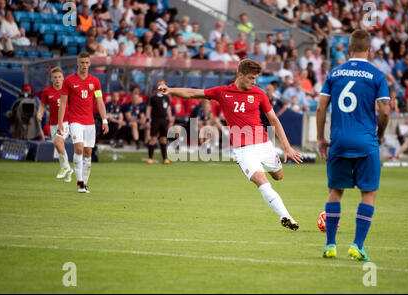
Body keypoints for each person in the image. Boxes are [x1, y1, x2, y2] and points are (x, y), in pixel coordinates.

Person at [157, 59, 304, 231]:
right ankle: (286, 216)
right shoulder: (222, 92)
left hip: (264, 144)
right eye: (251, 78)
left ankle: (282, 207)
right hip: (243, 150)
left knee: (278, 176)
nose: (254, 82)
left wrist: (287, 147)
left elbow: (273, 120)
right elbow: (192, 93)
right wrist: (171, 90)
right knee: (262, 181)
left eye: (256, 78)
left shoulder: (259, 93)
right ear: (240, 75)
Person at [316, 30, 391, 261]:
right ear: (370, 50)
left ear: (349, 49)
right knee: (368, 193)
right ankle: (357, 245)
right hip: (366, 141)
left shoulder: (335, 73)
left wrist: (320, 139)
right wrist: (379, 135)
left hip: (338, 141)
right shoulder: (377, 75)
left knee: (335, 191)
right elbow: (385, 111)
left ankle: (330, 245)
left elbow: (320, 108)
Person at [58, 51, 109, 193]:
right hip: (75, 121)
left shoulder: (95, 82)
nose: (84, 65)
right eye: (82, 63)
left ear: (90, 64)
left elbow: (99, 101)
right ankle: (80, 183)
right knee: (79, 149)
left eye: (87, 63)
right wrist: (61, 122)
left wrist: (104, 120)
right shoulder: (68, 81)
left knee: (88, 152)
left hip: (90, 122)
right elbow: (63, 103)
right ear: (77, 63)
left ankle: (85, 184)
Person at [37, 67, 73, 182]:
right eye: (55, 77)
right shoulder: (47, 91)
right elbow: (42, 105)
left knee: (58, 142)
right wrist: (39, 113)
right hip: (53, 123)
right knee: (59, 145)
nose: (57, 79)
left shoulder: (68, 90)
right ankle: (68, 169)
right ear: (51, 79)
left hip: (66, 122)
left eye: (59, 77)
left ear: (63, 78)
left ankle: (64, 167)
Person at [146, 78, 174, 164]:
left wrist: (170, 119)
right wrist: (147, 120)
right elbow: (148, 109)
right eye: (160, 84)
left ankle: (164, 158)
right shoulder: (153, 97)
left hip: (163, 120)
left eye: (163, 84)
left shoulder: (166, 97)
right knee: (153, 139)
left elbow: (168, 109)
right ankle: (150, 158)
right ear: (158, 86)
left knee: (163, 139)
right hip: (155, 120)